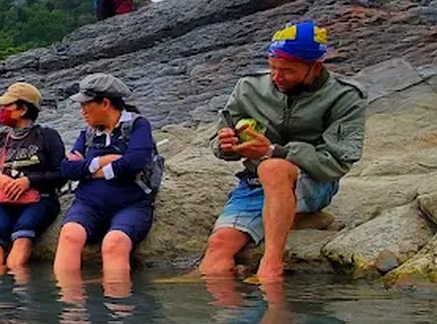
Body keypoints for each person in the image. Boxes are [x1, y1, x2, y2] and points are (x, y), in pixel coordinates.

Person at [198, 21, 366, 282]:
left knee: (272, 167)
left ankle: (271, 265)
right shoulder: (249, 88)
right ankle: (238, 320)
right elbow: (218, 140)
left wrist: (276, 151)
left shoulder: (345, 96)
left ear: (315, 67)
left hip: (312, 181)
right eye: (273, 67)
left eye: (287, 71)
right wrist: (226, 145)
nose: (277, 77)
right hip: (255, 185)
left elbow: (338, 162)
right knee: (217, 252)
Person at [55, 73, 159, 279]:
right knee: (69, 235)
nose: (82, 110)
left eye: (86, 104)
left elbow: (135, 162)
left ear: (105, 103)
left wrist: (89, 170)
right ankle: (70, 308)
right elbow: (67, 169)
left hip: (131, 205)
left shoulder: (138, 125)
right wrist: (101, 162)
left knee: (114, 244)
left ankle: (118, 307)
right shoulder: (88, 133)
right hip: (88, 205)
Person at [0, 82, 66, 273]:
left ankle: (21, 293)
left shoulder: (47, 136)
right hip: (4, 202)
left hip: (39, 200)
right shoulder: (1, 140)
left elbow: (61, 174)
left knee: (24, 229)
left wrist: (29, 181)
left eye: (7, 106)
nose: (1, 110)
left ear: (23, 109)